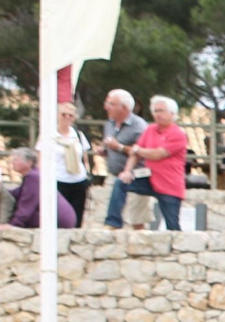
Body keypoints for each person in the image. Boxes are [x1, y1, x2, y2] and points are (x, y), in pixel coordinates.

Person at [126, 95, 189, 231]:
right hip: (150, 178)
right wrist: (127, 171)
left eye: (161, 110)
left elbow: (157, 154)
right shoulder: (150, 129)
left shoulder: (178, 133)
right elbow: (135, 153)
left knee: (172, 224)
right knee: (122, 183)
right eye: (155, 111)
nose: (157, 114)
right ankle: (113, 221)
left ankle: (178, 249)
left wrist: (138, 149)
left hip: (169, 184)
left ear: (172, 114)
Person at [97, 89, 149, 229]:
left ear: (124, 108)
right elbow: (110, 144)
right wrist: (104, 150)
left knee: (137, 218)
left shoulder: (140, 126)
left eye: (111, 104)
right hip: (113, 175)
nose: (106, 107)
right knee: (108, 216)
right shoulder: (109, 124)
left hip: (135, 176)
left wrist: (119, 147)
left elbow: (141, 152)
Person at [4, 147, 78, 229]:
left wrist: (14, 225)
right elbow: (18, 193)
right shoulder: (33, 175)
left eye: (16, 160)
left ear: (29, 162)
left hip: (58, 220)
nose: (13, 163)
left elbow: (27, 204)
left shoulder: (33, 177)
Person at [51, 103, 91, 224]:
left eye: (71, 115)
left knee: (77, 217)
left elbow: (85, 159)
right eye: (64, 114)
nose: (67, 117)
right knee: (60, 217)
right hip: (59, 180)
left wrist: (87, 175)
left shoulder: (78, 136)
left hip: (78, 180)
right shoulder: (50, 136)